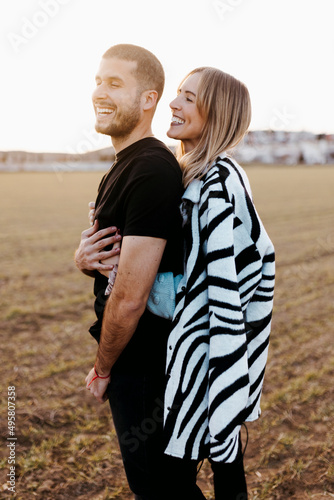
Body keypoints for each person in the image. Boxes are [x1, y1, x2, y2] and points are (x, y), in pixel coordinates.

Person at [80, 65, 275, 499]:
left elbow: (218, 287)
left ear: (217, 112)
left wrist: (125, 279)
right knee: (170, 484)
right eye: (178, 94)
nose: (174, 103)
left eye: (188, 97)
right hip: (185, 361)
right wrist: (100, 262)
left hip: (198, 359)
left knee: (163, 487)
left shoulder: (219, 182)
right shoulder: (189, 175)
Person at [74, 44, 201, 499]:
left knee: (161, 489)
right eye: (97, 80)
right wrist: (82, 259)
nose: (99, 92)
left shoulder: (149, 169)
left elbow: (129, 295)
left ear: (148, 99)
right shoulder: (123, 166)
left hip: (147, 363)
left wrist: (104, 366)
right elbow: (108, 256)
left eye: (114, 83)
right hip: (139, 359)